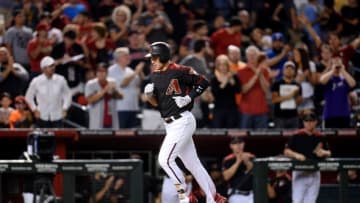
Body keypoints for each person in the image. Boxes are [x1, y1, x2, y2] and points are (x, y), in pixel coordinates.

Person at [143, 41, 226, 203]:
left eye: (154, 57)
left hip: (183, 120)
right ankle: (213, 197)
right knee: (193, 164)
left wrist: (189, 97)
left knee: (165, 160)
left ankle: (184, 196)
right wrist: (150, 97)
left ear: (163, 56)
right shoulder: (155, 75)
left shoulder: (180, 70)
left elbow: (203, 81)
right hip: (170, 123)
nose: (152, 61)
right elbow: (158, 105)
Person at [284, 112, 332, 203]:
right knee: (297, 201)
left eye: (311, 121)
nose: (309, 123)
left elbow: (329, 153)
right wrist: (296, 155)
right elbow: (286, 151)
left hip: (315, 172)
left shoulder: (320, 136)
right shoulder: (297, 135)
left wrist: (324, 152)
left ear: (316, 122)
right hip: (300, 171)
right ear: (303, 122)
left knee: (311, 201)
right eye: (306, 121)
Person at [25, 56, 72, 128]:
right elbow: (28, 97)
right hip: (42, 115)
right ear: (43, 69)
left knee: (58, 138)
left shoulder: (61, 79)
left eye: (53, 65)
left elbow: (68, 95)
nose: (53, 68)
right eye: (50, 66)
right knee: (43, 138)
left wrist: (65, 108)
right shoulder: (36, 81)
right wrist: (34, 110)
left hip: (57, 116)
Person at [85, 63, 123, 129]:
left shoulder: (112, 82)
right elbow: (90, 100)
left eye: (103, 71)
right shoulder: (90, 84)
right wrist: (105, 90)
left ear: (107, 73)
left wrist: (114, 91)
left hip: (111, 119)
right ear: (96, 73)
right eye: (99, 71)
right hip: (97, 120)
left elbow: (121, 97)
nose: (101, 73)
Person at [222, 137, 254, 203]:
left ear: (243, 144)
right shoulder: (227, 160)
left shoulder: (251, 157)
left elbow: (255, 172)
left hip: (251, 194)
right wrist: (238, 161)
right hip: (236, 194)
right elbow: (226, 177)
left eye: (240, 143)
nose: (238, 145)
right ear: (231, 146)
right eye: (235, 143)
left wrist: (247, 161)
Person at [271, 61, 302, 129]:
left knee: (294, 137)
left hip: (293, 116)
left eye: (291, 69)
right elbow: (274, 100)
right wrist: (290, 95)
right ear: (283, 70)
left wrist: (296, 96)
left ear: (294, 71)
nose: (289, 71)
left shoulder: (297, 85)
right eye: (287, 69)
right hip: (280, 116)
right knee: (280, 138)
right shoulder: (277, 84)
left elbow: (299, 103)